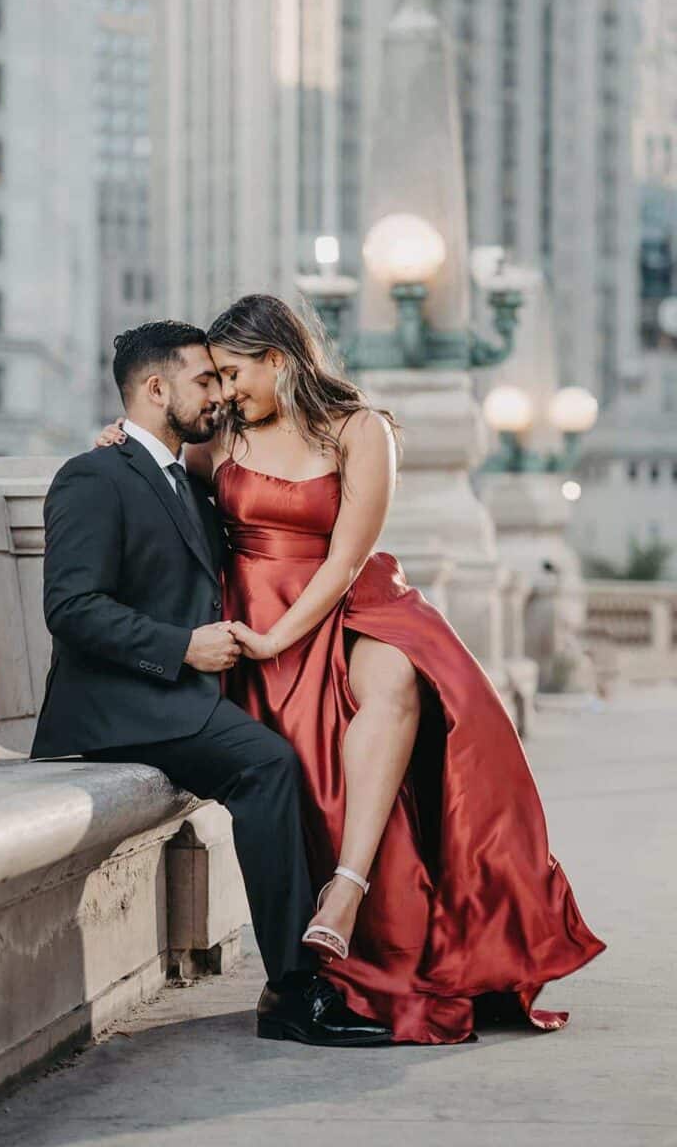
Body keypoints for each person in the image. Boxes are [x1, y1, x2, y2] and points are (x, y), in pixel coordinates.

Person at [97, 296, 606, 1046]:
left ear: (279, 358)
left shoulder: (362, 429)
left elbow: (345, 560)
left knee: (397, 680)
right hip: (254, 608)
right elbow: (159, 470)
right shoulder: (225, 438)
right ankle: (342, 945)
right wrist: (118, 438)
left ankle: (349, 888)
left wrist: (278, 640)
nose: (226, 389)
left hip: (346, 603)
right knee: (314, 766)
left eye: (233, 372)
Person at [31, 319, 391, 1048]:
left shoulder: (187, 476)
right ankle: (294, 990)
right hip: (120, 708)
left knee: (324, 748)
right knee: (268, 765)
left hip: (182, 695)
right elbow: (69, 609)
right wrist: (181, 649)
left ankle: (370, 958)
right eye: (206, 380)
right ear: (157, 387)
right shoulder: (93, 475)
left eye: (226, 378)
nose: (221, 394)